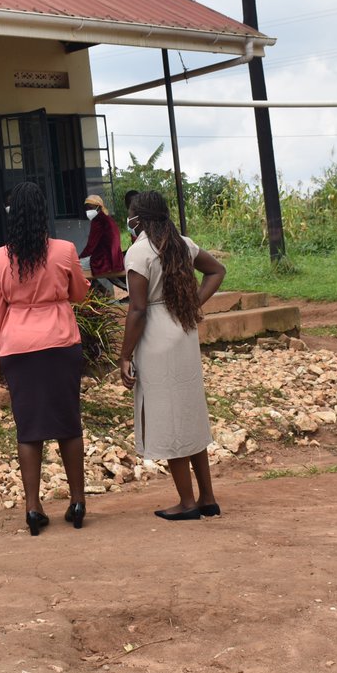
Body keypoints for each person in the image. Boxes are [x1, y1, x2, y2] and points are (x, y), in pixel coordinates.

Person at [0, 182, 91, 536]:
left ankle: (32, 508)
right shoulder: (64, 250)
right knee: (68, 422)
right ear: (43, 213)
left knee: (28, 429)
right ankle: (77, 502)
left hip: (17, 347)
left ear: (12, 215)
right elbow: (80, 295)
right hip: (61, 342)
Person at [118, 190, 227, 521]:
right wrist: (194, 303)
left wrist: (124, 355)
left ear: (138, 219)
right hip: (184, 330)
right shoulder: (182, 243)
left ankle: (186, 502)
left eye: (132, 215)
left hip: (156, 338)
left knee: (168, 418)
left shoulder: (139, 253)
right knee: (190, 413)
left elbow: (137, 310)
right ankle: (207, 497)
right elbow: (217, 271)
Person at [79, 194, 124, 292]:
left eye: (90, 208)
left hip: (104, 259)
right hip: (115, 258)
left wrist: (79, 258)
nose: (88, 211)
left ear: (98, 207)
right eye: (86, 208)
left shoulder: (98, 221)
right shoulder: (108, 219)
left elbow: (91, 246)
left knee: (75, 267)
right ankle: (102, 291)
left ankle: (100, 292)